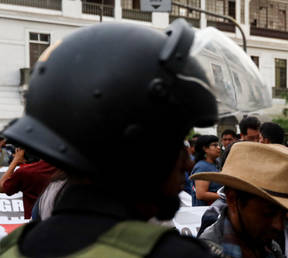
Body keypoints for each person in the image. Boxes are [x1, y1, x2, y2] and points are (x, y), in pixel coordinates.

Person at [0, 20, 220, 257]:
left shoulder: (12, 247)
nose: (187, 163)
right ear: (132, 149)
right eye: (174, 143)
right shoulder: (174, 254)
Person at [191, 142, 288, 258]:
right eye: (267, 213)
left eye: (284, 213)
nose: (279, 225)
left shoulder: (269, 247)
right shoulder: (208, 248)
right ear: (232, 199)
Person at [0, 148, 58, 219]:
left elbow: (1, 187)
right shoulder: (64, 170)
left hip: (35, 222)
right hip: (59, 219)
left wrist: (15, 161)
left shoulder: (25, 172)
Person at [191, 135, 221, 206]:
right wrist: (224, 197)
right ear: (205, 148)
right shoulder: (202, 167)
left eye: (218, 145)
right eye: (215, 145)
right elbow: (201, 194)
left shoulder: (217, 163)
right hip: (206, 212)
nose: (219, 147)